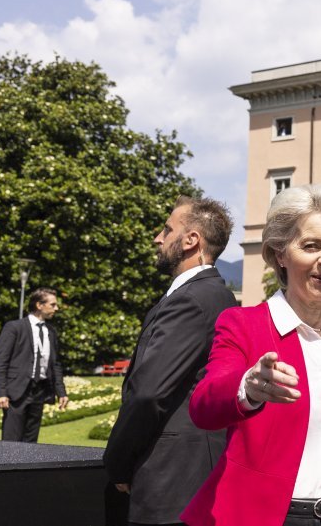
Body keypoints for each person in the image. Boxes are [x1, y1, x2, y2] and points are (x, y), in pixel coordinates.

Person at [181, 185, 321, 526]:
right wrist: (249, 388)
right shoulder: (243, 325)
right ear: (280, 254)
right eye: (311, 246)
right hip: (266, 518)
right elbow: (203, 404)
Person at [103, 196, 238, 524]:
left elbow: (149, 393)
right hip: (198, 475)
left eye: (167, 229)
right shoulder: (219, 294)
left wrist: (117, 462)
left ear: (192, 240)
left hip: (171, 480)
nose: (157, 238)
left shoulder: (189, 301)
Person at [0, 287, 69, 442]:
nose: (56, 308)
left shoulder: (51, 332)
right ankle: (7, 466)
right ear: (39, 305)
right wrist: (0, 392)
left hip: (40, 391)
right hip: (17, 391)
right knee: (11, 442)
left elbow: (55, 364)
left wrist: (61, 392)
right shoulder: (14, 327)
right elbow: (1, 362)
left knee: (31, 442)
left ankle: (28, 467)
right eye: (52, 304)